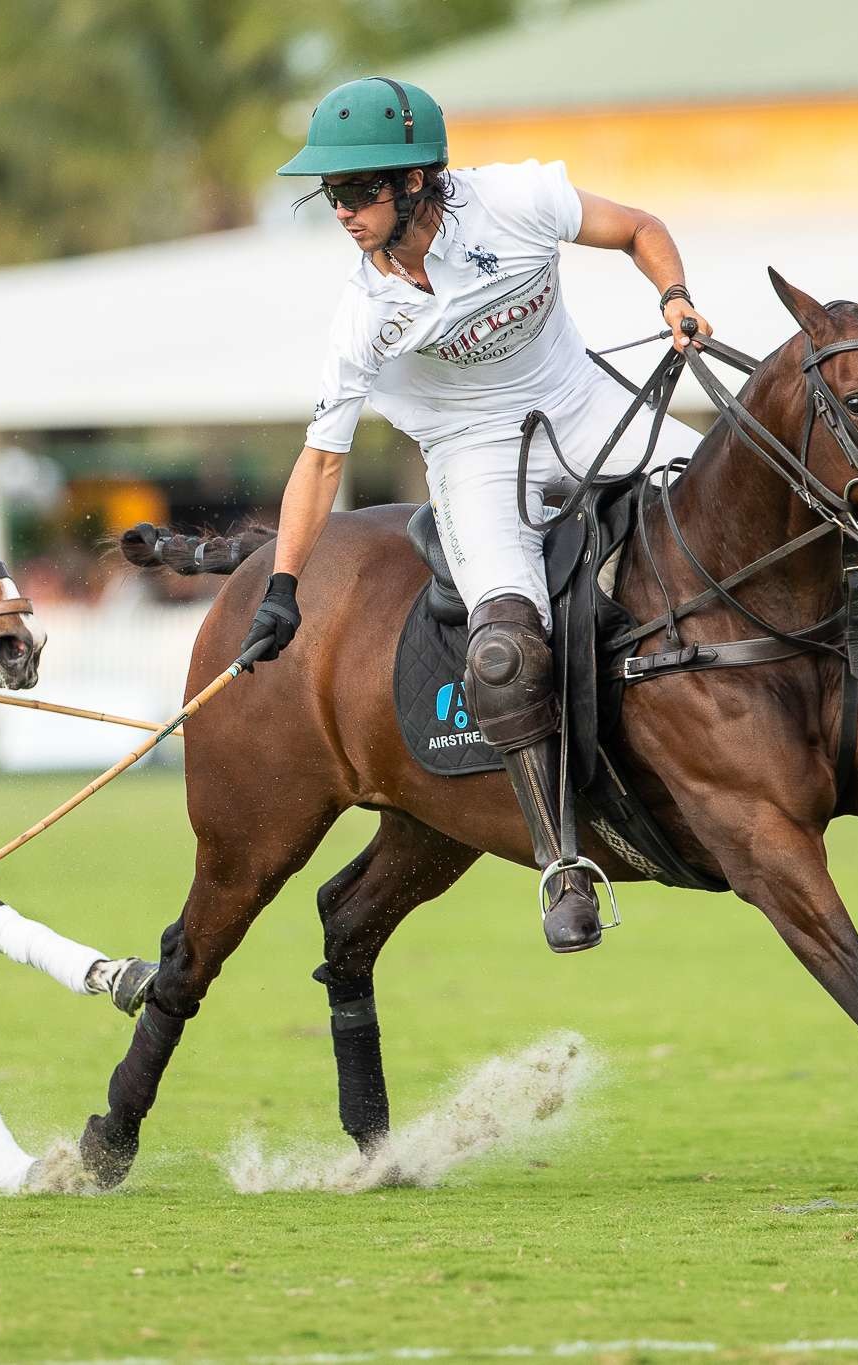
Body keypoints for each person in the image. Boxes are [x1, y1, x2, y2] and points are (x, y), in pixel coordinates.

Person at [243, 77, 712, 953]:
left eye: (358, 191)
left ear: (417, 180)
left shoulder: (517, 200)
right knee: (504, 648)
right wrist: (283, 583)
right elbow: (321, 461)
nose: (342, 212)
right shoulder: (364, 315)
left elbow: (640, 228)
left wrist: (673, 297)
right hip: (473, 453)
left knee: (725, 507)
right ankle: (563, 862)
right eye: (331, 195)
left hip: (579, 403)